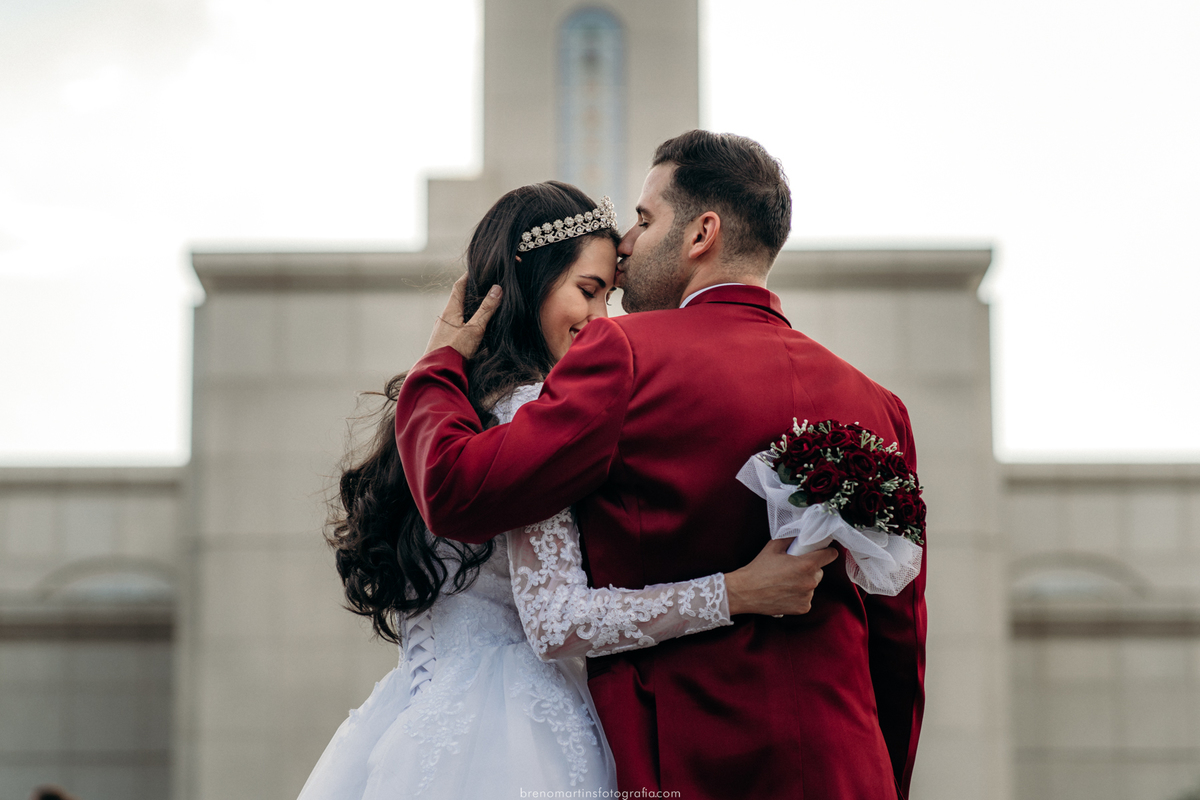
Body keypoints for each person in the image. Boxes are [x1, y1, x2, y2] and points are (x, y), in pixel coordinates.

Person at [396, 131, 927, 799]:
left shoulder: (623, 355)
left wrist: (438, 367)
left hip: (680, 763)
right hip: (849, 769)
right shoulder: (879, 408)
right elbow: (899, 633)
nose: (627, 243)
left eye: (645, 220)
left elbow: (457, 490)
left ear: (701, 234)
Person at [297, 181, 835, 800]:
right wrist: (737, 591)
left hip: (414, 722)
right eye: (588, 291)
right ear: (530, 281)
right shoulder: (528, 411)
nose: (598, 320)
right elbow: (557, 622)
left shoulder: (443, 409)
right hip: (517, 736)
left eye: (608, 298)